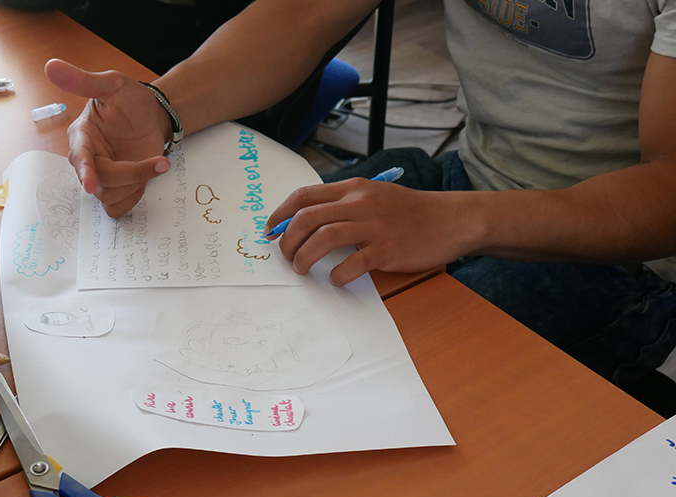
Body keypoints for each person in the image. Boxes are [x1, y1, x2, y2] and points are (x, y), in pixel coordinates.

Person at [44, 0, 676, 411]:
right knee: (251, 285)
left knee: (358, 391)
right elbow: (304, 13)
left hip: (623, 259)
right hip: (470, 176)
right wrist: (162, 107)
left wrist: (458, 220)